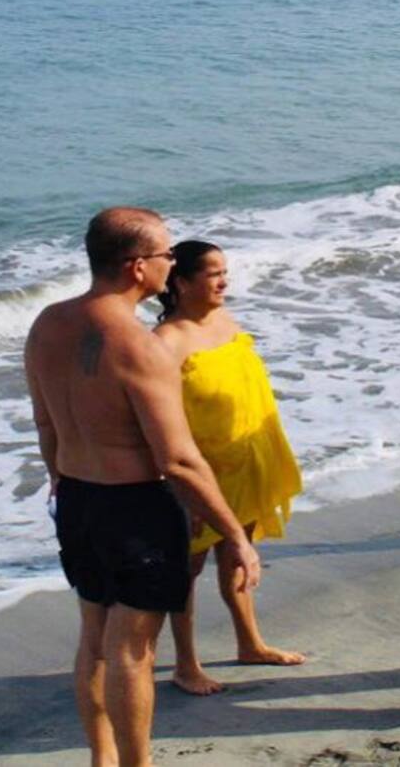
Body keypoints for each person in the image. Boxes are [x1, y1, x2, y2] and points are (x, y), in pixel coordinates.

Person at [25, 207, 262, 767]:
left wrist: (64, 484)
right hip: (136, 510)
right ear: (137, 267)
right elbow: (178, 459)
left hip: (77, 500)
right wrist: (236, 535)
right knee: (132, 651)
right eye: (166, 255)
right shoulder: (139, 345)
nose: (172, 263)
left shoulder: (47, 323)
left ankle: (101, 760)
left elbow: (45, 427)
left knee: (93, 639)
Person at [153, 241, 305, 696]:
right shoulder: (166, 341)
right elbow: (160, 418)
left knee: (238, 556)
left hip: (246, 460)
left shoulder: (224, 320)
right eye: (212, 274)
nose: (223, 281)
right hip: (201, 473)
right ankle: (185, 664)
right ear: (180, 282)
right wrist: (179, 485)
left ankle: (250, 643)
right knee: (186, 569)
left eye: (225, 273)